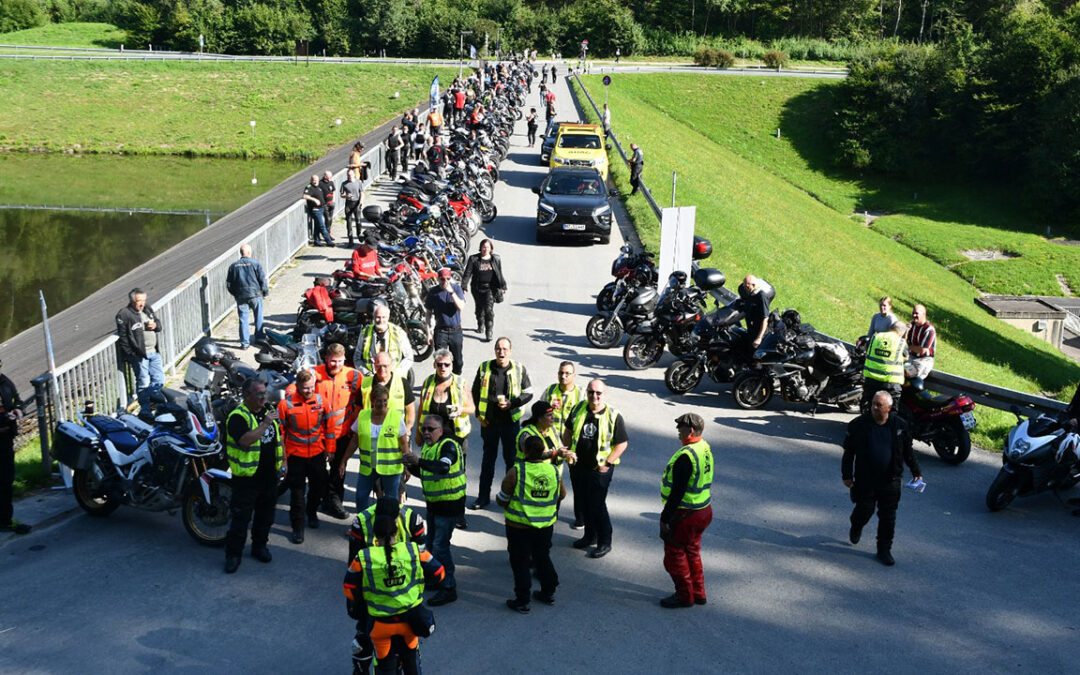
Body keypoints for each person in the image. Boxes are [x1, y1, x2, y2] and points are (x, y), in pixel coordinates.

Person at [343, 502, 444, 675]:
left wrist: (361, 604)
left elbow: (349, 588)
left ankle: (361, 670)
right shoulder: (412, 549)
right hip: (410, 618)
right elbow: (439, 573)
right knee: (412, 659)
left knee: (379, 659)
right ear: (396, 527)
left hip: (379, 621)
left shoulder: (364, 556)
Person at [842, 390, 922, 566]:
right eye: (873, 404)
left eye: (879, 405)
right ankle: (856, 525)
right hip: (865, 480)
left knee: (888, 517)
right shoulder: (859, 425)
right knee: (864, 510)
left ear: (889, 408)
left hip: (890, 481)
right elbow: (849, 452)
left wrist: (916, 471)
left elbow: (908, 451)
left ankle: (884, 550)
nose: (874, 408)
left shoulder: (900, 426)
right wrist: (846, 475)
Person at [497, 435, 564, 613]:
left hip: (519, 526)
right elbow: (561, 494)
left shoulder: (517, 471)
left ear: (525, 451)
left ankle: (523, 600)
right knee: (542, 557)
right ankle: (549, 591)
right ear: (543, 451)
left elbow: (503, 498)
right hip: (545, 526)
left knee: (520, 562)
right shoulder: (553, 471)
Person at [403, 414, 465, 606]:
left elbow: (443, 468)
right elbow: (426, 472)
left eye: (431, 429)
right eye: (424, 429)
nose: (427, 433)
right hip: (435, 504)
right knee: (430, 544)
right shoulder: (430, 448)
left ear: (442, 429)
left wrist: (418, 462)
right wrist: (411, 466)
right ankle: (437, 578)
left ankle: (449, 587)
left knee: (440, 546)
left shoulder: (448, 445)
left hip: (449, 505)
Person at [562, 378, 627, 559]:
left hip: (600, 470)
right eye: (591, 392)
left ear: (604, 395)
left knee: (597, 505)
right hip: (578, 466)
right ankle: (589, 536)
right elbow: (567, 431)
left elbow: (622, 443)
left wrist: (607, 463)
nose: (594, 396)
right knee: (583, 502)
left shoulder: (614, 415)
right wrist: (567, 452)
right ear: (587, 393)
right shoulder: (578, 409)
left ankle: (605, 541)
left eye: (598, 393)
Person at [224, 378, 282, 573]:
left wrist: (283, 463)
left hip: (269, 477)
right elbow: (245, 441)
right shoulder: (237, 417)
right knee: (241, 519)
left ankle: (259, 546)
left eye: (264, 393)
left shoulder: (267, 411)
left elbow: (277, 440)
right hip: (247, 479)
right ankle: (233, 555)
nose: (263, 397)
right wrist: (265, 424)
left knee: (265, 516)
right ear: (246, 395)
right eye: (258, 394)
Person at [471, 337, 533, 510]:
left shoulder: (519, 369)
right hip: (489, 423)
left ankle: (510, 498)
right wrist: (478, 414)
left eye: (505, 349)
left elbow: (529, 392)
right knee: (487, 461)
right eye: (498, 348)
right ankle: (483, 498)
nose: (501, 352)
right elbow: (475, 392)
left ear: (510, 351)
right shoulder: (484, 367)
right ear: (494, 350)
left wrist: (512, 404)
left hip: (510, 423)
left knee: (511, 462)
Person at [659, 413, 713, 608]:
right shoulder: (704, 447)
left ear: (690, 431)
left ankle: (684, 595)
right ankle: (698, 593)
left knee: (675, 554)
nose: (677, 430)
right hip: (703, 510)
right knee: (692, 551)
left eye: (680, 427)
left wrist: (665, 518)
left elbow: (677, 492)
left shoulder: (686, 457)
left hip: (685, 514)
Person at [278, 369, 332, 544]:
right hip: (296, 455)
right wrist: (283, 458)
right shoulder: (285, 405)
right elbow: (280, 434)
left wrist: (330, 450)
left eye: (311, 387)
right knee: (297, 494)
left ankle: (312, 512)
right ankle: (298, 527)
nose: (309, 391)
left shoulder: (321, 401)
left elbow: (329, 427)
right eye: (305, 388)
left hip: (317, 453)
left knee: (319, 488)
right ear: (297, 386)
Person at [341, 383, 409, 511]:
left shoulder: (396, 417)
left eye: (385, 400)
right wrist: (344, 461)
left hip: (391, 469)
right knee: (361, 496)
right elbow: (355, 441)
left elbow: (404, 444)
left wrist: (407, 466)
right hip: (368, 467)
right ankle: (361, 526)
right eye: (379, 401)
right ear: (372, 401)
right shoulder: (363, 416)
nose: (382, 404)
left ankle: (390, 527)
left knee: (391, 500)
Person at [316, 343, 362, 520]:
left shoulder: (354, 376)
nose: (336, 365)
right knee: (317, 470)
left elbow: (364, 399)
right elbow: (298, 387)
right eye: (333, 361)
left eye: (340, 361)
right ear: (326, 359)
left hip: (343, 433)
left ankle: (334, 502)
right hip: (319, 434)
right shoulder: (315, 373)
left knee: (338, 470)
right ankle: (321, 498)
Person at [115, 288, 164, 419]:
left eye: (143, 300)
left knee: (159, 379)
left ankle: (157, 405)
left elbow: (159, 325)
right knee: (143, 382)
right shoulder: (124, 314)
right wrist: (131, 354)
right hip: (140, 355)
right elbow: (123, 337)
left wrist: (155, 326)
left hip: (154, 351)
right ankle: (146, 410)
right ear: (132, 301)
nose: (142, 303)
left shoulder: (147, 309)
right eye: (139, 301)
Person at [0, 358, 29, 534]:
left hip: (5, 438)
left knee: (6, 479)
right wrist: (3, 418)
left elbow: (17, 399)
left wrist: (19, 409)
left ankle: (5, 520)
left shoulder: (4, 381)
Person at [354, 352, 417, 432]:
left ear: (391, 365)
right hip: (370, 434)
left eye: (385, 366)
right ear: (374, 366)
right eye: (378, 366)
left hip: (395, 434)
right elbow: (357, 410)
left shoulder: (402, 382)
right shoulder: (365, 383)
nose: (382, 369)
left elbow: (410, 410)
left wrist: (407, 430)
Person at [461, 238, 507, 343]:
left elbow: (499, 273)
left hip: (490, 289)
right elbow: (467, 274)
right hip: (477, 288)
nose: (485, 249)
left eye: (487, 247)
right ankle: (480, 324)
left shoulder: (496, 259)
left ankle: (489, 331)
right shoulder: (474, 259)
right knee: (479, 309)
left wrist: (503, 286)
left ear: (491, 248)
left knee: (489, 310)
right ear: (480, 248)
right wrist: (464, 286)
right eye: (483, 247)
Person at [354, 301, 414, 379]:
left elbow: (409, 358)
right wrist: (366, 373)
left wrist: (395, 374)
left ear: (388, 317)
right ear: (374, 317)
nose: (381, 320)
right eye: (378, 317)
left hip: (394, 379)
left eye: (383, 317)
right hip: (371, 378)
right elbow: (357, 358)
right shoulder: (365, 332)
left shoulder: (398, 333)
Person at [225, 243, 268, 349]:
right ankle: (259, 338)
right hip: (255, 295)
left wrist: (235, 294)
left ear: (241, 253)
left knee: (243, 319)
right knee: (258, 316)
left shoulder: (233, 266)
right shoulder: (255, 264)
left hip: (241, 296)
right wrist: (265, 292)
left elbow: (229, 284)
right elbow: (262, 279)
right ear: (249, 252)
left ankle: (245, 343)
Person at [425, 268, 467, 375]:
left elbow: (461, 306)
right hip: (441, 331)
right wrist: (428, 333)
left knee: (458, 361)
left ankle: (456, 380)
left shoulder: (456, 289)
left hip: (455, 330)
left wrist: (451, 292)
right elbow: (428, 313)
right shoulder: (433, 292)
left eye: (448, 279)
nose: (445, 282)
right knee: (440, 361)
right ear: (438, 279)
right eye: (442, 279)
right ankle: (442, 382)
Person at [862, 318, 907, 411]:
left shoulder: (876, 336)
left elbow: (867, 348)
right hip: (890, 383)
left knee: (869, 408)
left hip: (871, 379)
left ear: (890, 328)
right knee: (890, 411)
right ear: (902, 333)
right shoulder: (901, 342)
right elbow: (906, 357)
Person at [541, 361, 583, 440]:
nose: (563, 376)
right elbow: (539, 412)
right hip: (551, 437)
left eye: (567, 373)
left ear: (574, 375)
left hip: (571, 439)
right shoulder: (551, 390)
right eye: (561, 373)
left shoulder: (581, 393)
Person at [738, 274, 774, 355]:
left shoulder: (762, 296)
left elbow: (765, 318)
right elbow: (744, 312)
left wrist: (759, 338)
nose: (745, 289)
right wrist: (728, 322)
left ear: (753, 285)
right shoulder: (751, 294)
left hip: (758, 334)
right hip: (751, 331)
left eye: (746, 286)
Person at [906, 304, 937, 379]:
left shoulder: (929, 329)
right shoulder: (912, 326)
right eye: (913, 313)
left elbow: (922, 350)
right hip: (911, 357)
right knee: (898, 372)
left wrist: (908, 347)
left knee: (911, 377)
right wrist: (906, 330)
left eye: (916, 313)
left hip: (923, 360)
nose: (914, 315)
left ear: (924, 314)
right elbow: (904, 340)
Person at [303, 174, 333, 246]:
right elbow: (305, 196)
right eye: (313, 180)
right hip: (315, 210)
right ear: (311, 180)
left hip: (321, 208)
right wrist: (314, 199)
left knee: (317, 225)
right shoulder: (309, 187)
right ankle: (329, 241)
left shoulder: (318, 187)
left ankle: (316, 241)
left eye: (316, 180)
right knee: (322, 225)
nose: (315, 182)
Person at [340, 168, 363, 246]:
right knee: (349, 222)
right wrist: (346, 196)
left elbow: (362, 193)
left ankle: (359, 234)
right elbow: (341, 195)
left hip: (357, 203)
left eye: (350, 175)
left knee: (358, 220)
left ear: (354, 175)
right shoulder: (344, 184)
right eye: (348, 175)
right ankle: (350, 240)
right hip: (348, 204)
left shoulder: (358, 182)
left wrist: (361, 202)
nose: (349, 176)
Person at [319, 170, 338, 241]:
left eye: (331, 177)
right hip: (324, 204)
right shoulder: (320, 183)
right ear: (325, 176)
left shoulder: (331, 183)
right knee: (327, 219)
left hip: (331, 203)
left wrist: (333, 200)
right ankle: (327, 234)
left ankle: (328, 232)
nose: (330, 178)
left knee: (330, 219)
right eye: (329, 177)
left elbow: (333, 192)